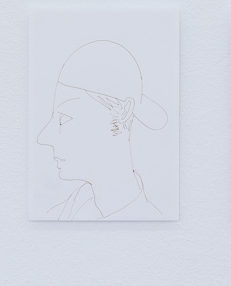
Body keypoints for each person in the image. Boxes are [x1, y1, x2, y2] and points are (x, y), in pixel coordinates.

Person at [37, 40, 167, 220]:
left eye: (64, 118)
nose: (43, 137)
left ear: (124, 112)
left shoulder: (152, 220)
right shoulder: (57, 215)